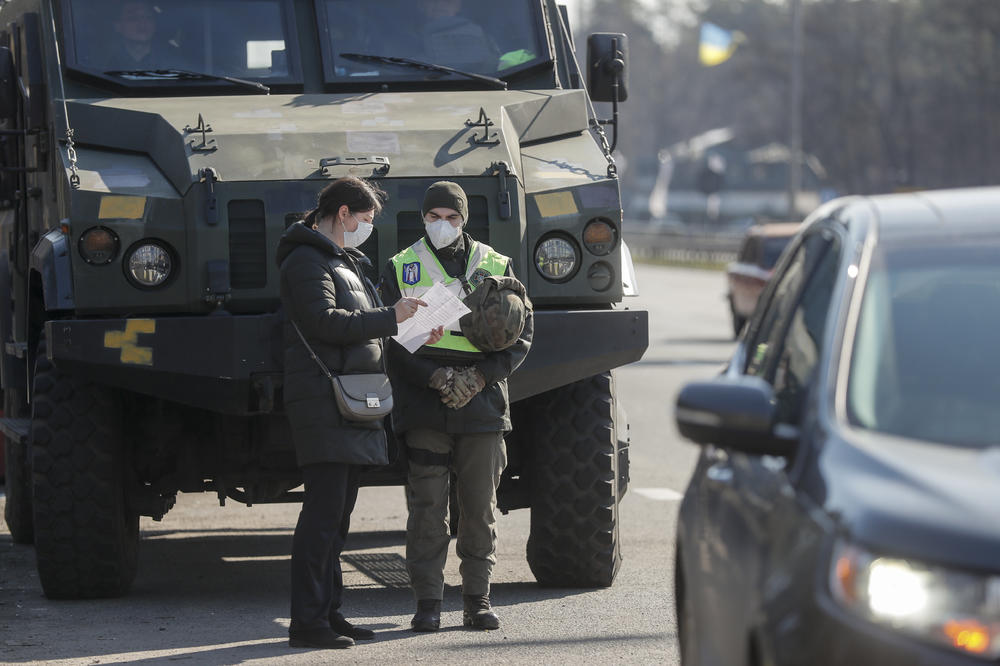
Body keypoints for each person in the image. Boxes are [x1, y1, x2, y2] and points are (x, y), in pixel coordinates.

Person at [277, 176, 441, 650]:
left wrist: (411, 327)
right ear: (344, 214)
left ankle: (329, 612)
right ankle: (307, 622)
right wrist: (393, 316)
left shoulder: (342, 261)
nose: (368, 228)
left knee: (338, 516)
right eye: (365, 219)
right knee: (322, 516)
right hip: (322, 402)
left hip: (348, 400)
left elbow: (362, 325)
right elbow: (326, 323)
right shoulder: (306, 260)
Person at [379, 181, 533, 632]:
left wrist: (479, 377)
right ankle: (427, 602)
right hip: (425, 400)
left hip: (482, 401)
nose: (442, 224)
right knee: (427, 507)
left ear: (464, 220)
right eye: (433, 217)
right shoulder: (400, 266)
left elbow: (522, 334)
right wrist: (436, 377)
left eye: (451, 217)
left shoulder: (496, 264)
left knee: (479, 508)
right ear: (422, 219)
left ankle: (477, 601)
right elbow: (389, 340)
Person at [418, 0, 499, 72]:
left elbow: (490, 65)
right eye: (433, 1)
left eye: (447, 1)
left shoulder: (476, 32)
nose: (439, 5)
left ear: (458, 6)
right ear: (421, 5)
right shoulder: (408, 36)